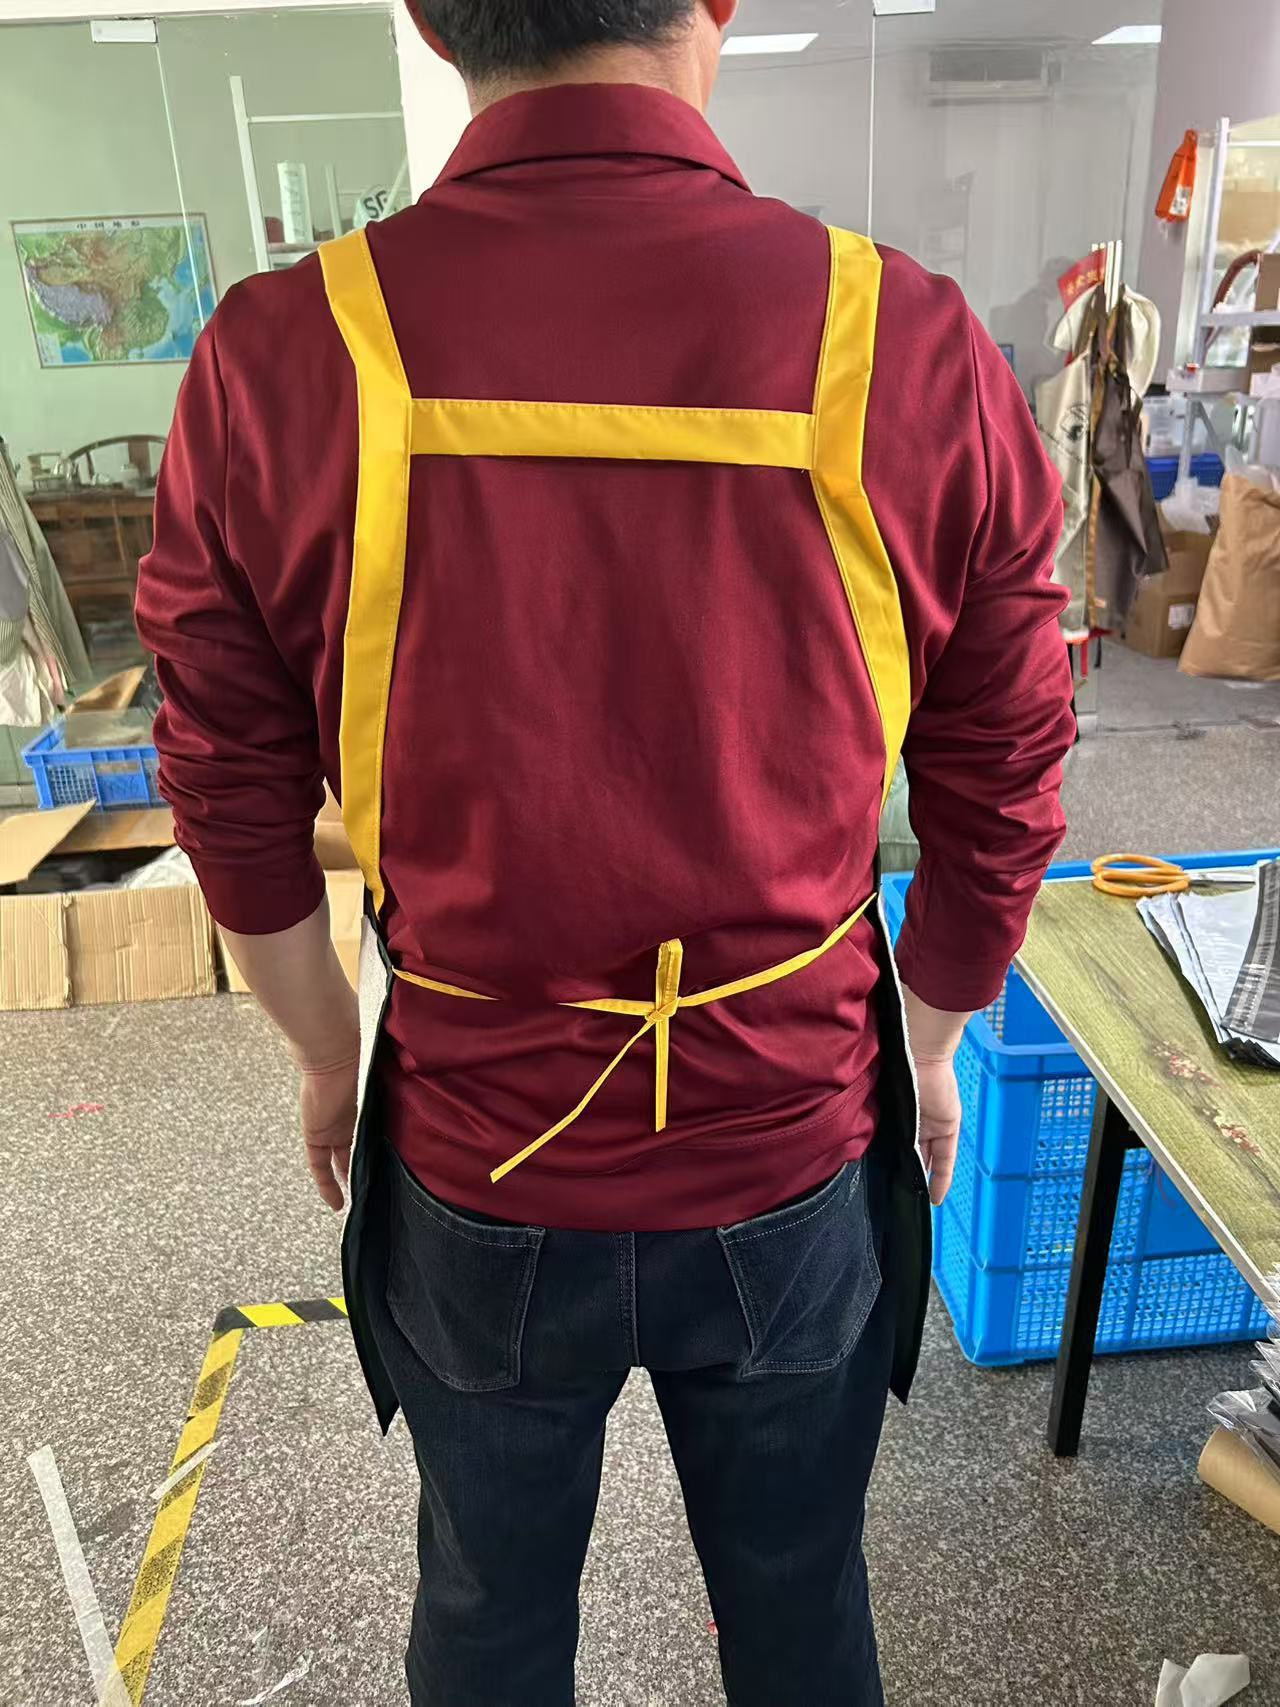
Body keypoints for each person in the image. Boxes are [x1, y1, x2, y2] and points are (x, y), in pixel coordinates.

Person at [135, 2, 1077, 1701]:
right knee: (798, 1606)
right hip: (791, 1145)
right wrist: (931, 1036)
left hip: (477, 1157)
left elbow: (226, 785)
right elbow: (1003, 769)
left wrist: (328, 1051)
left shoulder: (283, 351)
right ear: (716, 5)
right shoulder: (910, 341)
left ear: (428, 15)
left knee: (490, 1616)